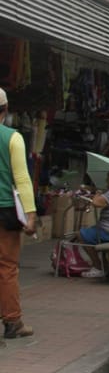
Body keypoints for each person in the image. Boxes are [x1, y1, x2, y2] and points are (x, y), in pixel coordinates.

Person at [0, 87, 37, 344]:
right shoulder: (12, 138)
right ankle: (13, 321)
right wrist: (31, 214)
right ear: (5, 110)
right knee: (7, 267)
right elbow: (22, 178)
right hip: (4, 211)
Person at [75, 168, 109, 279]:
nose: (106, 179)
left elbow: (97, 202)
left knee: (81, 234)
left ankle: (98, 267)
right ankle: (104, 266)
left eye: (108, 176)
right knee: (92, 230)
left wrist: (97, 194)